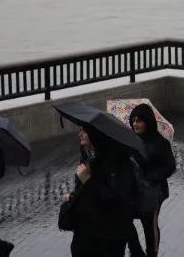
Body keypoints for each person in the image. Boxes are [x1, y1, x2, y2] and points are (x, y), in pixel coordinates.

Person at [61, 127, 137, 257]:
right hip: (86, 235)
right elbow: (85, 194)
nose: (80, 135)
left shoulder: (117, 163)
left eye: (84, 131)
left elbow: (117, 200)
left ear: (96, 135)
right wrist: (72, 196)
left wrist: (87, 180)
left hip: (108, 238)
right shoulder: (89, 158)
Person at [126, 104, 177, 257]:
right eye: (133, 120)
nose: (135, 124)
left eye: (139, 120)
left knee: (149, 224)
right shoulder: (131, 140)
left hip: (153, 191)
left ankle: (151, 253)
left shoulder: (160, 143)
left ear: (148, 122)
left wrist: (150, 178)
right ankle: (136, 250)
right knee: (125, 219)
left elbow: (169, 166)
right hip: (134, 189)